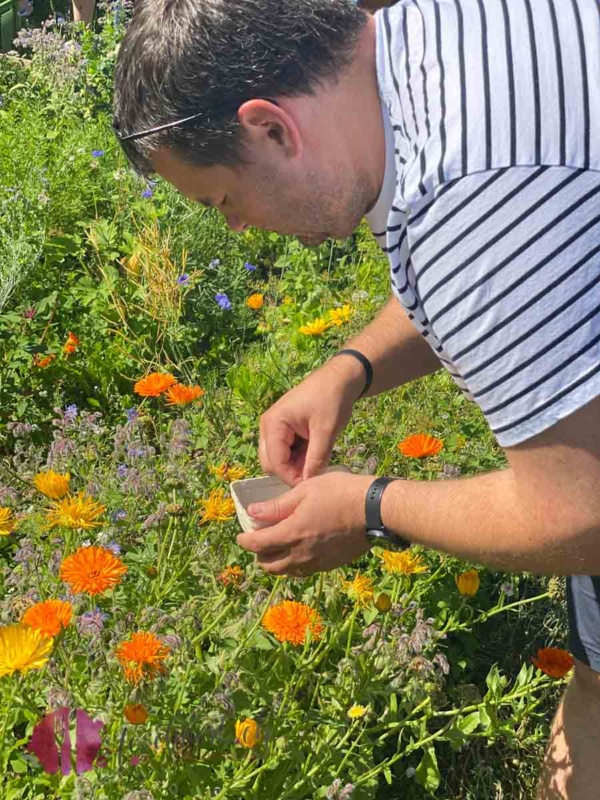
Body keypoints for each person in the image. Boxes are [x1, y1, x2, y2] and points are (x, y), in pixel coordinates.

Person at [112, 0, 600, 796]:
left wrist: (366, 508)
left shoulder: (471, 204)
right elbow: (511, 255)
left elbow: (587, 516)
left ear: (271, 127)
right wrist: (352, 367)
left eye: (221, 200)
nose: (234, 231)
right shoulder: (424, 54)